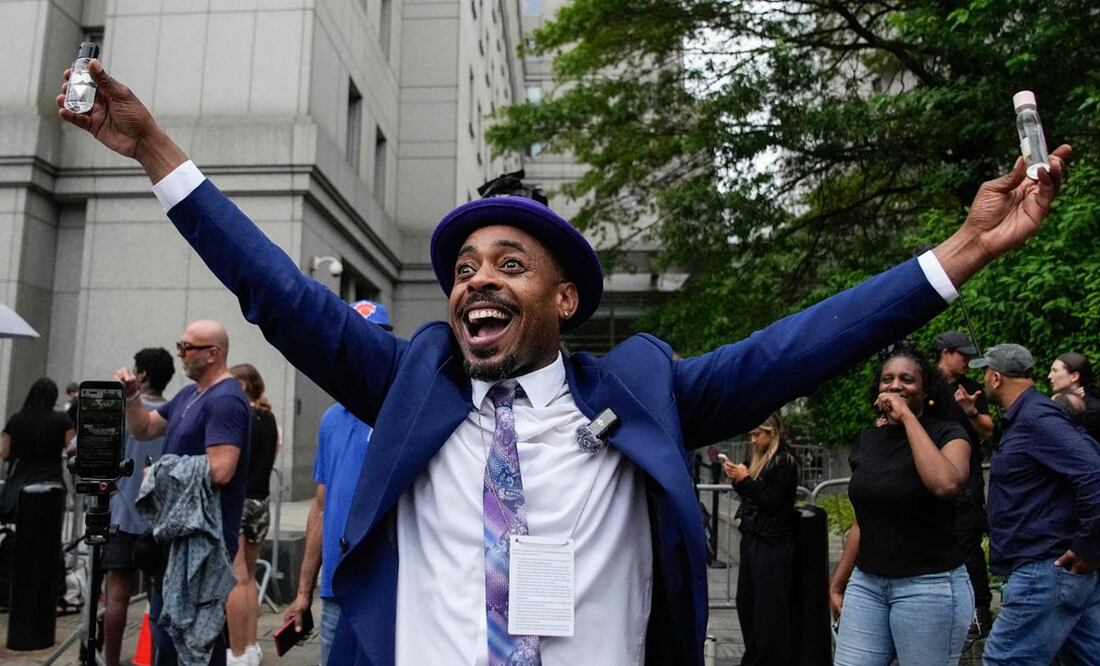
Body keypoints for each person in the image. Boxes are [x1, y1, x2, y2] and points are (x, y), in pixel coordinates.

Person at [57, 59, 1070, 665]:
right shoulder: (408, 379)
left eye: (508, 262)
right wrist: (155, 153)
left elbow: (800, 340)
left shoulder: (642, 392)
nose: (475, 282)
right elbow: (276, 294)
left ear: (564, 298)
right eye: (461, 268)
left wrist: (962, 250)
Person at [116, 320, 251, 666]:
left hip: (203, 541)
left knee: (195, 642)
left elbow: (222, 469)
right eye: (180, 345)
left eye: (187, 347)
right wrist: (132, 397)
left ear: (213, 354)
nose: (180, 354)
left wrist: (162, 473)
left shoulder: (226, 399)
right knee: (172, 638)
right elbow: (144, 428)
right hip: (178, 537)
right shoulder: (190, 395)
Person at [829, 346, 974, 665]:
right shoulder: (869, 440)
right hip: (868, 584)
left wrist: (907, 417)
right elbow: (864, 520)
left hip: (929, 586)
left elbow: (945, 484)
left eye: (906, 380)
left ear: (926, 390)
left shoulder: (949, 434)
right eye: (887, 379)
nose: (895, 386)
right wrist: (838, 584)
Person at [971, 344, 1100, 664]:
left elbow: (1092, 473)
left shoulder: (1036, 417)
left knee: (1003, 660)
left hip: (1044, 571)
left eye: (985, 373)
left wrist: (1087, 545)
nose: (984, 381)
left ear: (996, 378)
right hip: (1053, 571)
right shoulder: (1028, 417)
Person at [284, 300, 395, 664]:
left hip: (389, 593)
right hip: (334, 592)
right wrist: (303, 592)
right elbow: (321, 507)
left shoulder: (402, 412)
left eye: (373, 339)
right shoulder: (331, 419)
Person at [103, 347, 175, 666]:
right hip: (160, 517)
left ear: (141, 375)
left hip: (121, 514)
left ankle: (111, 659)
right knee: (160, 595)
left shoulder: (123, 410)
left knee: (117, 593)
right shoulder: (174, 413)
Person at [932, 330, 995, 637]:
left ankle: (979, 609)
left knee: (968, 542)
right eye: (962, 355)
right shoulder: (925, 383)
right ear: (945, 352)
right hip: (932, 474)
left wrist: (971, 412)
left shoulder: (971, 389)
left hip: (966, 478)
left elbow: (988, 429)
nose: (967, 360)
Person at [722, 413, 798, 666]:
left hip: (773, 542)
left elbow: (772, 502)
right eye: (751, 435)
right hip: (754, 537)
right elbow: (753, 497)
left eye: (758, 434)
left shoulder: (784, 462)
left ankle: (768, 658)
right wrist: (739, 479)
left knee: (769, 607)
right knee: (747, 601)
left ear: (771, 433)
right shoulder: (760, 460)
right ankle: (755, 655)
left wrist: (744, 480)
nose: (753, 440)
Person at [225, 363, 278, 666]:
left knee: (237, 579)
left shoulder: (242, 418)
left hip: (240, 500)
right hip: (261, 502)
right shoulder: (269, 419)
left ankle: (236, 651)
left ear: (242, 386)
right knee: (250, 575)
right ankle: (252, 644)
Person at [1, 378, 75, 520]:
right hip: (51, 480)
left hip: (21, 481)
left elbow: (5, 453)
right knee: (49, 528)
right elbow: (71, 448)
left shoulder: (16, 420)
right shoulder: (62, 419)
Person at [1048, 352, 1100, 442]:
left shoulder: (1093, 410)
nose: (1049, 376)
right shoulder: (1060, 399)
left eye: (1055, 371)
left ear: (1074, 376)